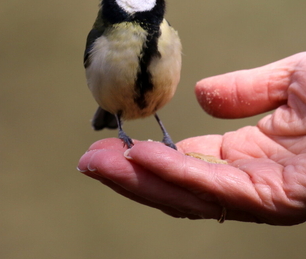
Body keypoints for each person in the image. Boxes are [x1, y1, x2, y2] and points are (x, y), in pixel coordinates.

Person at [78, 52, 306, 225]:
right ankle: (120, 128)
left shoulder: (167, 34)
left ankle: (165, 135)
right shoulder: (104, 36)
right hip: (114, 104)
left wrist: (167, 139)